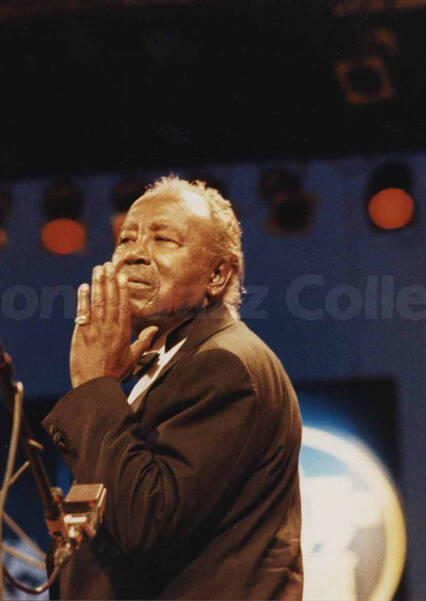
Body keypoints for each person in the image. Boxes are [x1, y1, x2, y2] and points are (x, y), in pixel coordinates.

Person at [41, 176, 304, 600]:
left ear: (218, 274)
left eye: (163, 240)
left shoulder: (224, 366)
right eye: (126, 239)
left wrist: (94, 386)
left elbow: (147, 518)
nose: (135, 254)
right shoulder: (166, 366)